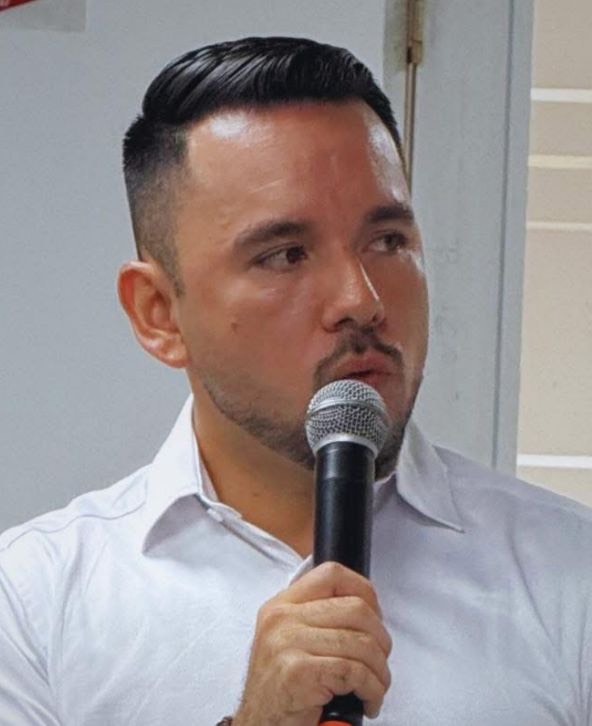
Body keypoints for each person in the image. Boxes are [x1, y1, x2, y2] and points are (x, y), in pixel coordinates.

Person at [0, 36, 590, 726]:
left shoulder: (571, 574)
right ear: (158, 313)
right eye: (285, 255)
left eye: (388, 241)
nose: (361, 299)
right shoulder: (31, 602)